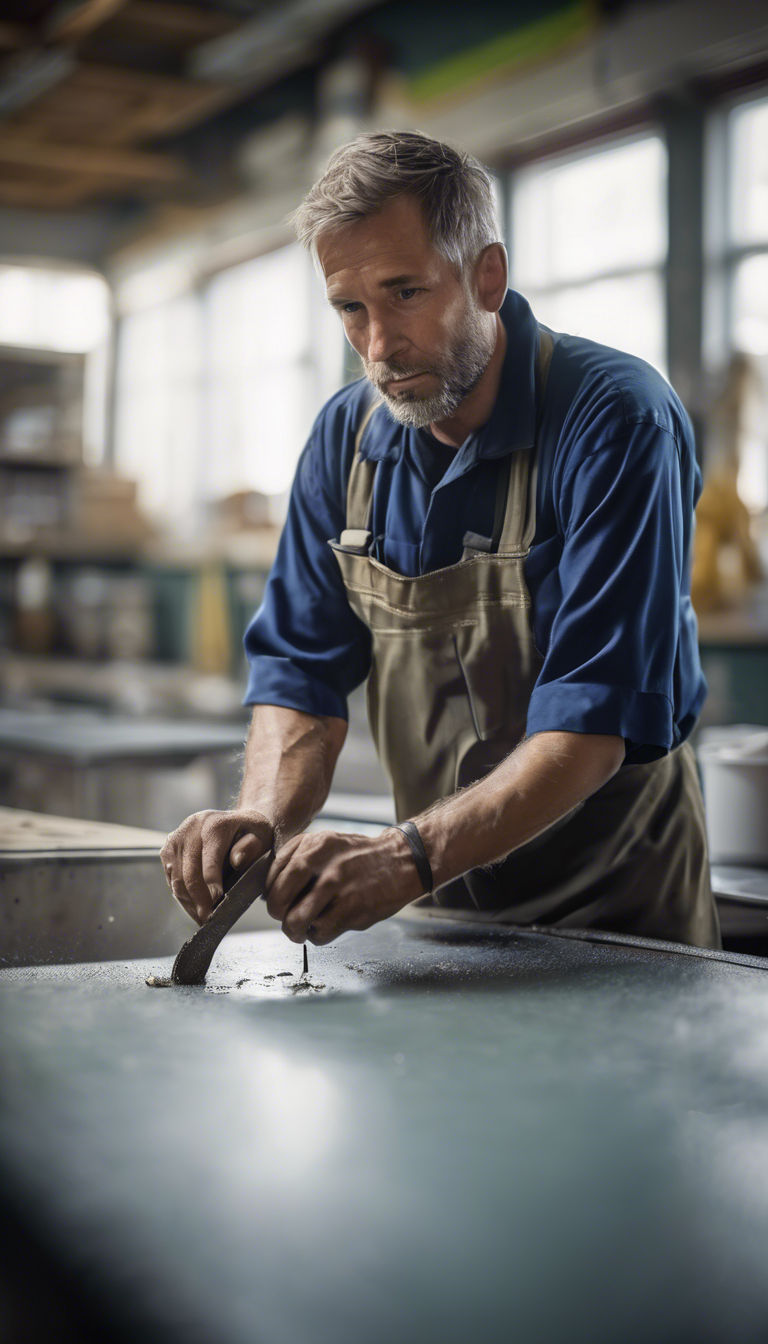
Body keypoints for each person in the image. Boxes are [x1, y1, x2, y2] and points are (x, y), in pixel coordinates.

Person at [161, 130, 720, 951]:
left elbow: (593, 722)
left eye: (406, 294)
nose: (379, 348)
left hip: (620, 923)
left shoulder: (615, 420)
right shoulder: (343, 441)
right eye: (352, 309)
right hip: (434, 923)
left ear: (486, 275)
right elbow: (302, 672)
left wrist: (404, 855)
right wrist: (261, 814)